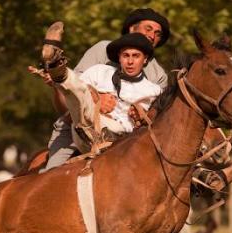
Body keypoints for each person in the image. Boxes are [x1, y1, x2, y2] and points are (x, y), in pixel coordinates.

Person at [34, 25, 161, 171]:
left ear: (145, 60)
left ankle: (61, 77)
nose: (130, 61)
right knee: (81, 94)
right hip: (83, 130)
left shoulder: (154, 91)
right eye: (126, 56)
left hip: (120, 140)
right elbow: (76, 97)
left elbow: (157, 125)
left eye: (136, 56)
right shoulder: (100, 72)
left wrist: (143, 118)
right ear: (119, 58)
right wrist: (96, 100)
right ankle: (59, 71)